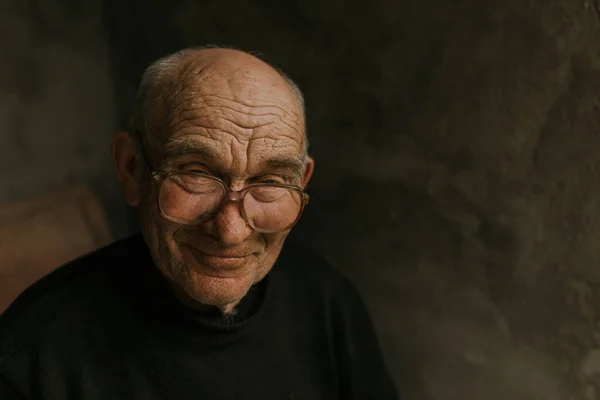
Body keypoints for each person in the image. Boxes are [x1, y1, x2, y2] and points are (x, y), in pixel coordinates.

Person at [0, 47, 398, 399]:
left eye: (271, 182)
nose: (231, 231)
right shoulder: (31, 352)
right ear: (131, 168)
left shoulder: (325, 300)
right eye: (195, 173)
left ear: (302, 182)